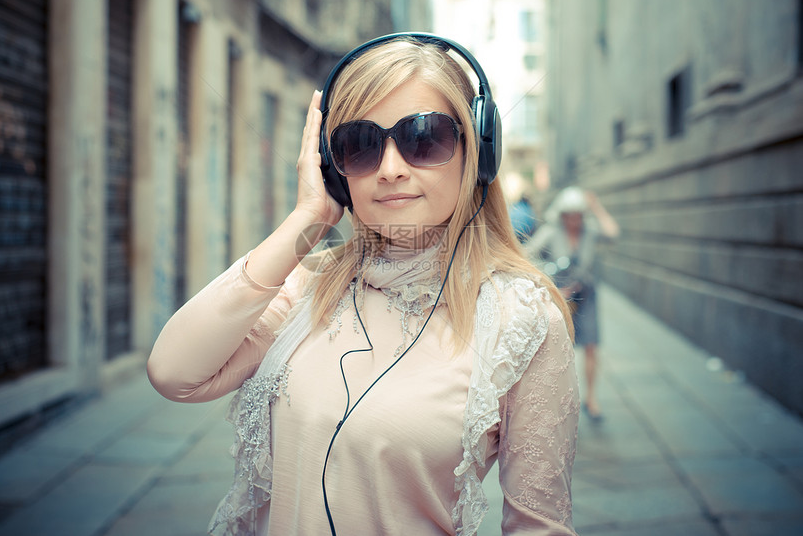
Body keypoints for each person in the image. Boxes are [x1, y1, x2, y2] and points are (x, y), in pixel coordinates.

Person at [147, 34, 580, 536]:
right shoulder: (310, 286)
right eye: (360, 146)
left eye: (424, 137)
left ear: (478, 152)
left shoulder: (521, 319)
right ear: (334, 171)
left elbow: (539, 527)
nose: (391, 169)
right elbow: (174, 373)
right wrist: (307, 218)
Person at [525, 186, 619, 423]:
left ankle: (591, 399)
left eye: (579, 213)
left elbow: (613, 232)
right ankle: (558, 400)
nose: (574, 219)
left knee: (591, 345)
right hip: (561, 298)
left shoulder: (590, 230)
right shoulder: (551, 231)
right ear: (562, 214)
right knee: (558, 348)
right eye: (570, 214)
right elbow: (526, 256)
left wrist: (595, 207)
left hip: (586, 294)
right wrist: (551, 284)